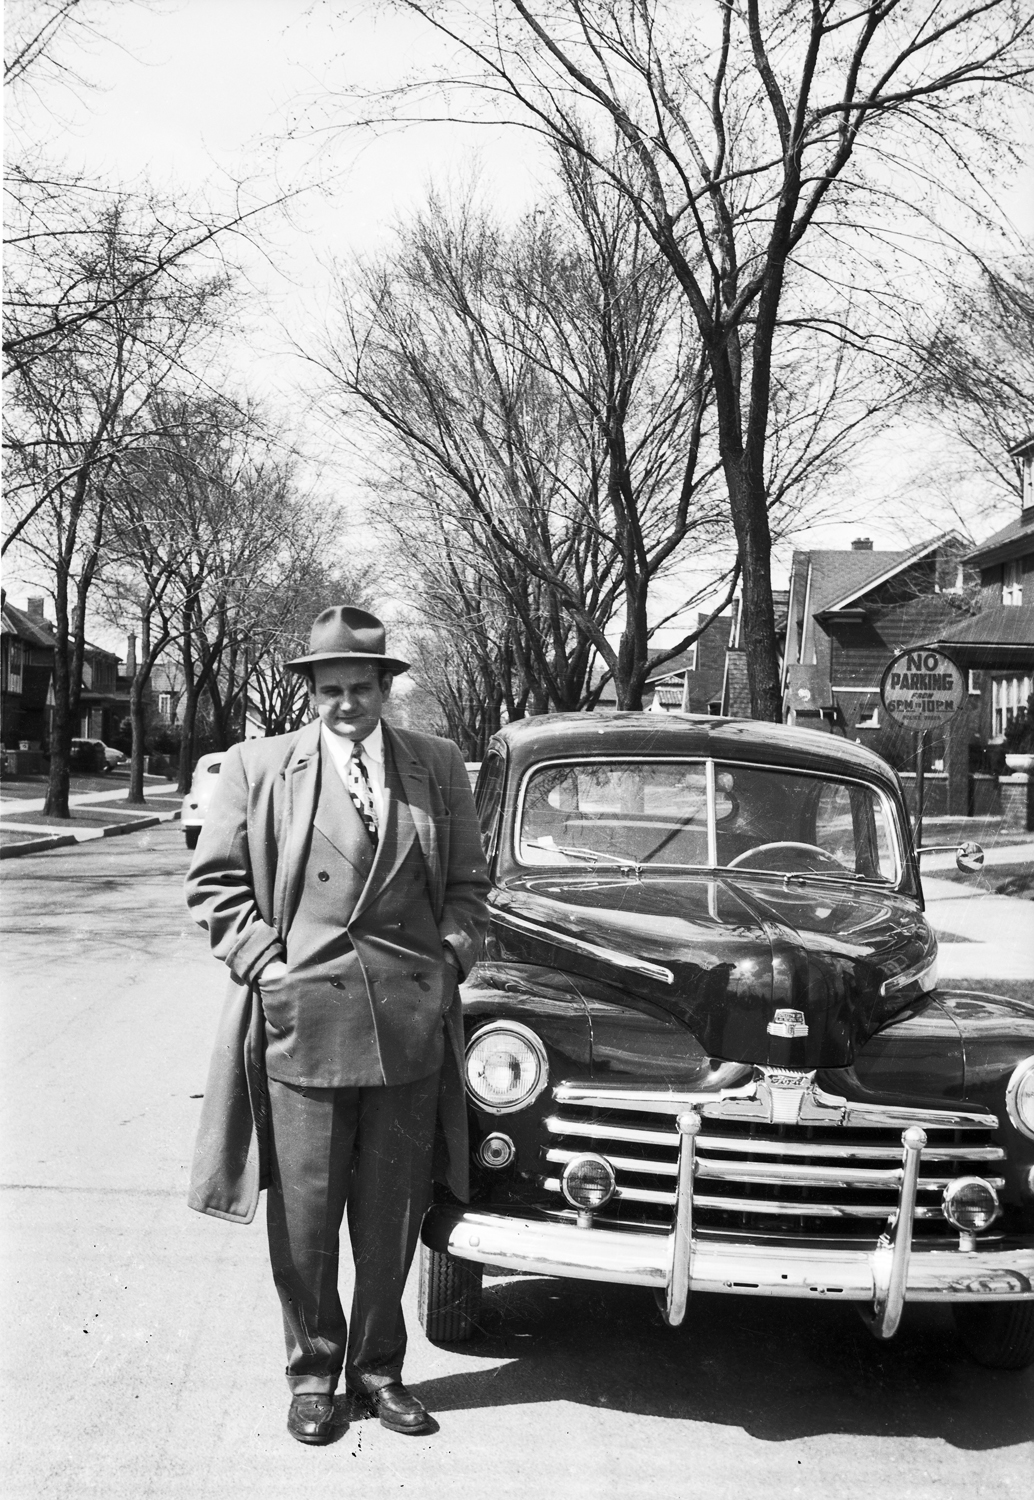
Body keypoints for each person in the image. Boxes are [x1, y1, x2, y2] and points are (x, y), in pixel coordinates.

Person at [184, 606, 490, 1446]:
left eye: (361, 687)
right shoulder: (257, 767)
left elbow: (470, 888)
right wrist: (267, 968)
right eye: (330, 690)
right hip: (301, 1025)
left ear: (387, 688)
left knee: (390, 1218)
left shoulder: (436, 766)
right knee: (309, 1219)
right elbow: (214, 887)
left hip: (406, 1026)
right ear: (309, 692)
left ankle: (381, 1372)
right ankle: (314, 1374)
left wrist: (449, 966)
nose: (346, 703)